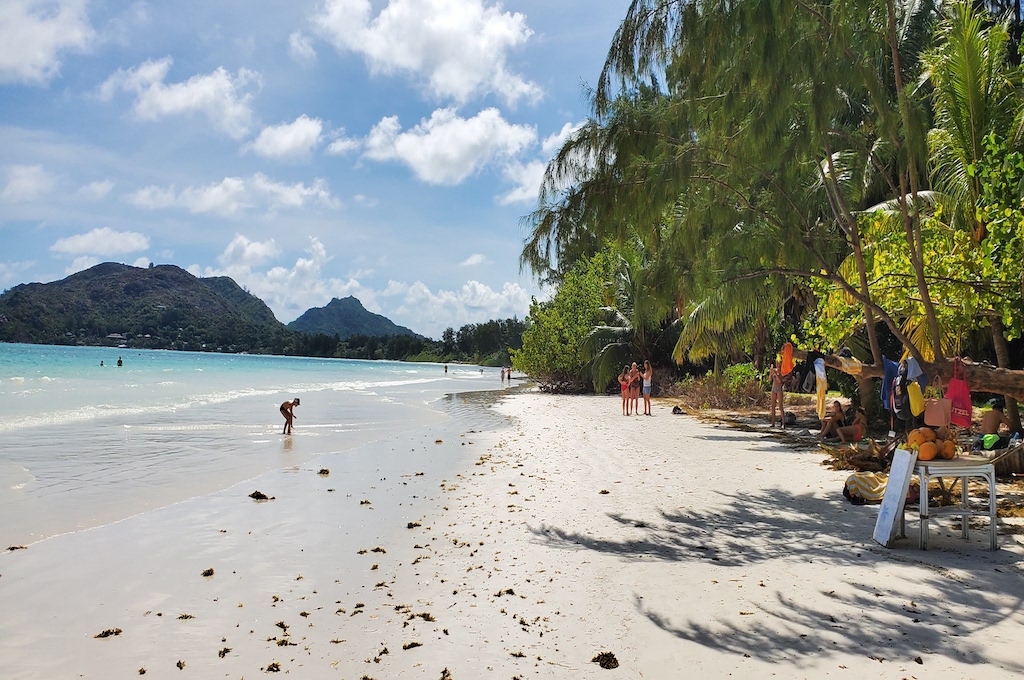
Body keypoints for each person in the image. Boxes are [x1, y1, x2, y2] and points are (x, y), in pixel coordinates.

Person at [769, 360, 786, 428]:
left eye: (779, 363)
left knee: (780, 406)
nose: (777, 364)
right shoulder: (774, 370)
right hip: (774, 388)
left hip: (779, 388)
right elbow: (770, 380)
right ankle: (773, 422)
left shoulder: (782, 371)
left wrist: (776, 374)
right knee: (773, 406)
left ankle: (783, 423)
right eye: (777, 362)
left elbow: (780, 381)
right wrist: (771, 373)